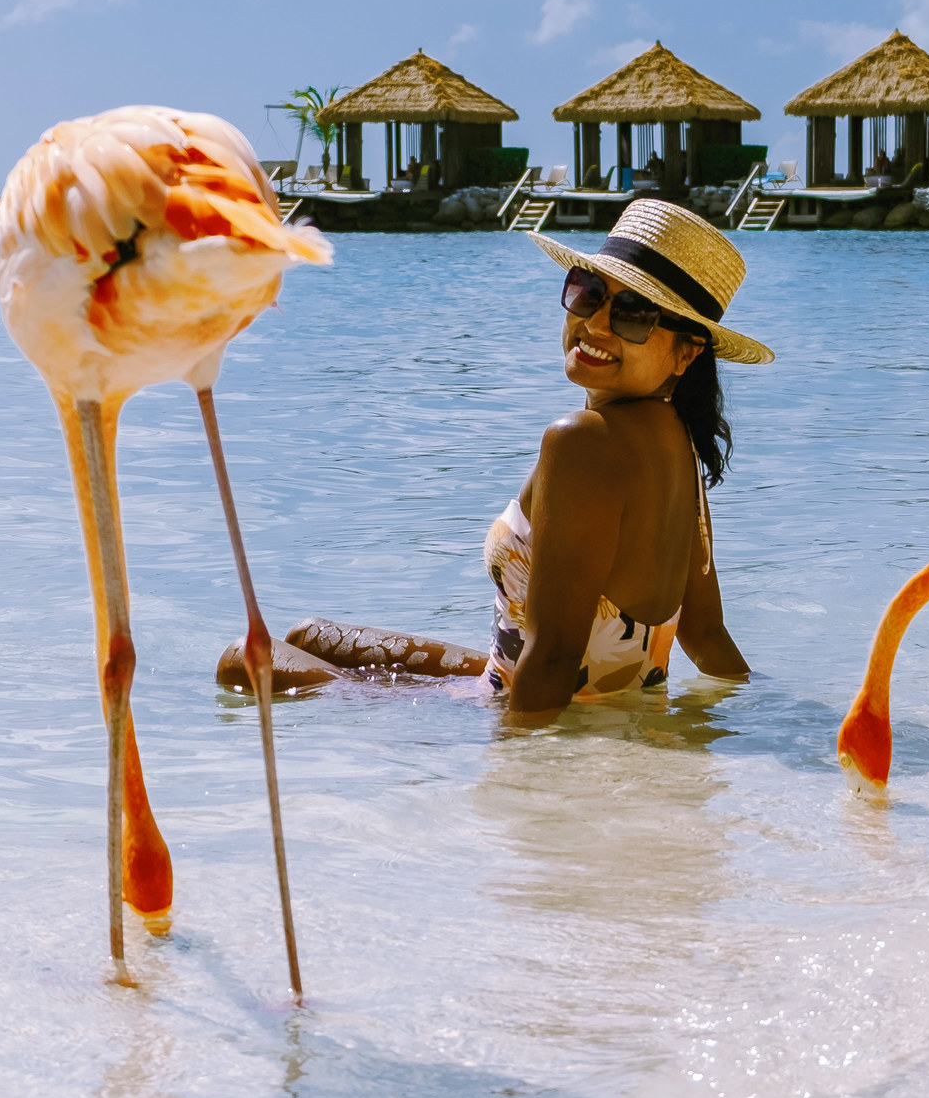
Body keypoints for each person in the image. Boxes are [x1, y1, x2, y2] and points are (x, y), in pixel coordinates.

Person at [216, 201, 773, 727]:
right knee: (308, 633)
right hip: (564, 681)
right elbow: (704, 633)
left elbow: (554, 654)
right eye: (589, 294)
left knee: (244, 657)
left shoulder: (581, 442)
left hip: (520, 698)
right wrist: (765, 714)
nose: (596, 325)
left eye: (632, 315)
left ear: (688, 350)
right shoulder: (681, 444)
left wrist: (516, 777)